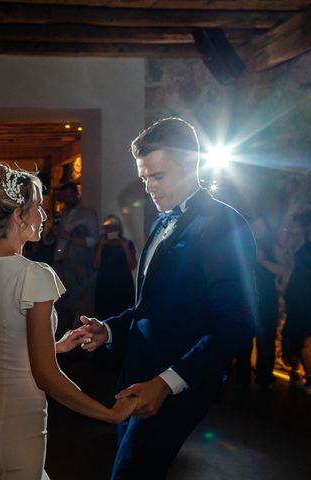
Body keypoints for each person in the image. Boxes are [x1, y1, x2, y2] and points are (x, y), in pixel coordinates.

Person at [75, 118, 257, 479]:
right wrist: (109, 330)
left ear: (191, 165)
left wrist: (166, 382)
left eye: (157, 176)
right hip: (135, 380)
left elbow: (237, 324)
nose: (149, 188)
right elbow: (153, 308)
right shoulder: (161, 222)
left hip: (175, 385)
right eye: (144, 178)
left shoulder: (224, 224)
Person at [0, 158, 136, 480]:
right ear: (18, 215)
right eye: (38, 207)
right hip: (16, 417)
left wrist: (53, 346)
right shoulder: (34, 275)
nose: (44, 215)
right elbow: (46, 377)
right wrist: (109, 414)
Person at [46, 182, 99, 338]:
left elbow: (93, 240)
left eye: (70, 195)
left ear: (77, 195)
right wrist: (52, 232)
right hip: (58, 262)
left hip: (78, 264)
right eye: (65, 196)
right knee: (58, 301)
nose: (67, 199)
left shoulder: (87, 214)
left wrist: (67, 235)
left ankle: (81, 339)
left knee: (80, 301)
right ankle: (60, 336)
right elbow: (48, 241)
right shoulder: (60, 214)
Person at [283, 204, 311, 395]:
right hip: (298, 293)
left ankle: (310, 377)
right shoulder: (302, 236)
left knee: (309, 338)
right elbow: (285, 247)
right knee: (294, 334)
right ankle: (295, 370)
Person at [236, 216, 279, 388]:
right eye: (253, 225)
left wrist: (263, 261)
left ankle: (265, 377)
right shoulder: (240, 246)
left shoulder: (271, 248)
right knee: (243, 339)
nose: (256, 229)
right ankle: (242, 377)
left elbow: (286, 269)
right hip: (245, 298)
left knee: (266, 339)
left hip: (267, 299)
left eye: (260, 225)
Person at [93, 214, 137, 319]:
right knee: (104, 317)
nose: (111, 229)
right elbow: (95, 266)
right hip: (105, 287)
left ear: (119, 228)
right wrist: (100, 246)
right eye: (108, 227)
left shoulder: (127, 243)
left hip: (124, 286)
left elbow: (132, 266)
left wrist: (125, 247)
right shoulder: (100, 245)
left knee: (124, 317)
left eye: (114, 226)